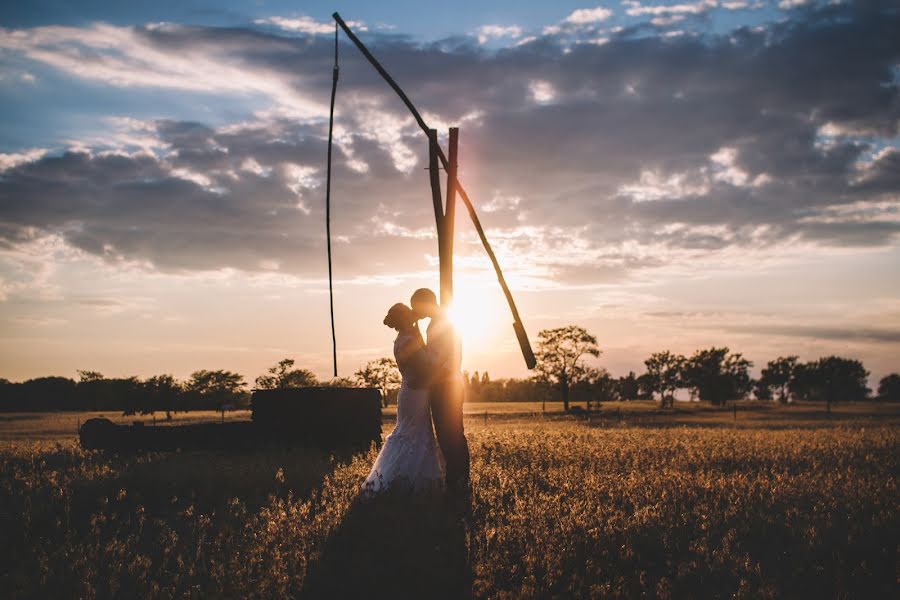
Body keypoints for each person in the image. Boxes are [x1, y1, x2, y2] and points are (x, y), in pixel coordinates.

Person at [362, 303, 444, 494]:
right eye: (410, 316)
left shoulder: (403, 339)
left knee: (411, 433)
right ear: (406, 319)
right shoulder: (408, 341)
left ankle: (410, 482)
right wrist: (439, 361)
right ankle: (405, 482)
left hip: (410, 391)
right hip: (415, 392)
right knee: (414, 435)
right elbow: (423, 368)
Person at [410, 288, 471, 499]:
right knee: (449, 435)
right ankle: (456, 481)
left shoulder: (443, 323)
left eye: (416, 306)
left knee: (450, 435)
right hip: (445, 383)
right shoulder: (437, 321)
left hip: (447, 385)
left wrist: (425, 376)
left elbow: (439, 358)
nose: (415, 311)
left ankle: (458, 482)